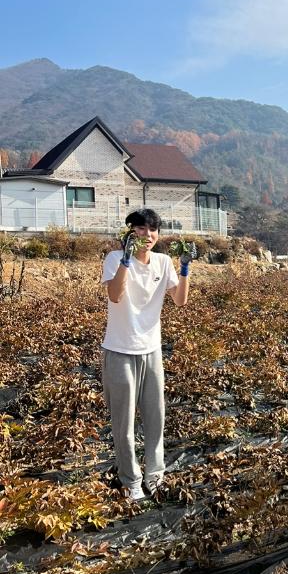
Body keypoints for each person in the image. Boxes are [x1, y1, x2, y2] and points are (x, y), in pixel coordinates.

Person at [101, 208, 196, 501]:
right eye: (141, 229)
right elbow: (115, 295)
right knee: (124, 422)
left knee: (156, 418)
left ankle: (155, 476)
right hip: (120, 351)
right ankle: (131, 480)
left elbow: (180, 300)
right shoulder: (114, 259)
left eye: (153, 229)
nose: (148, 235)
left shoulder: (163, 262)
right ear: (131, 232)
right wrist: (126, 260)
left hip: (151, 350)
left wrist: (184, 268)